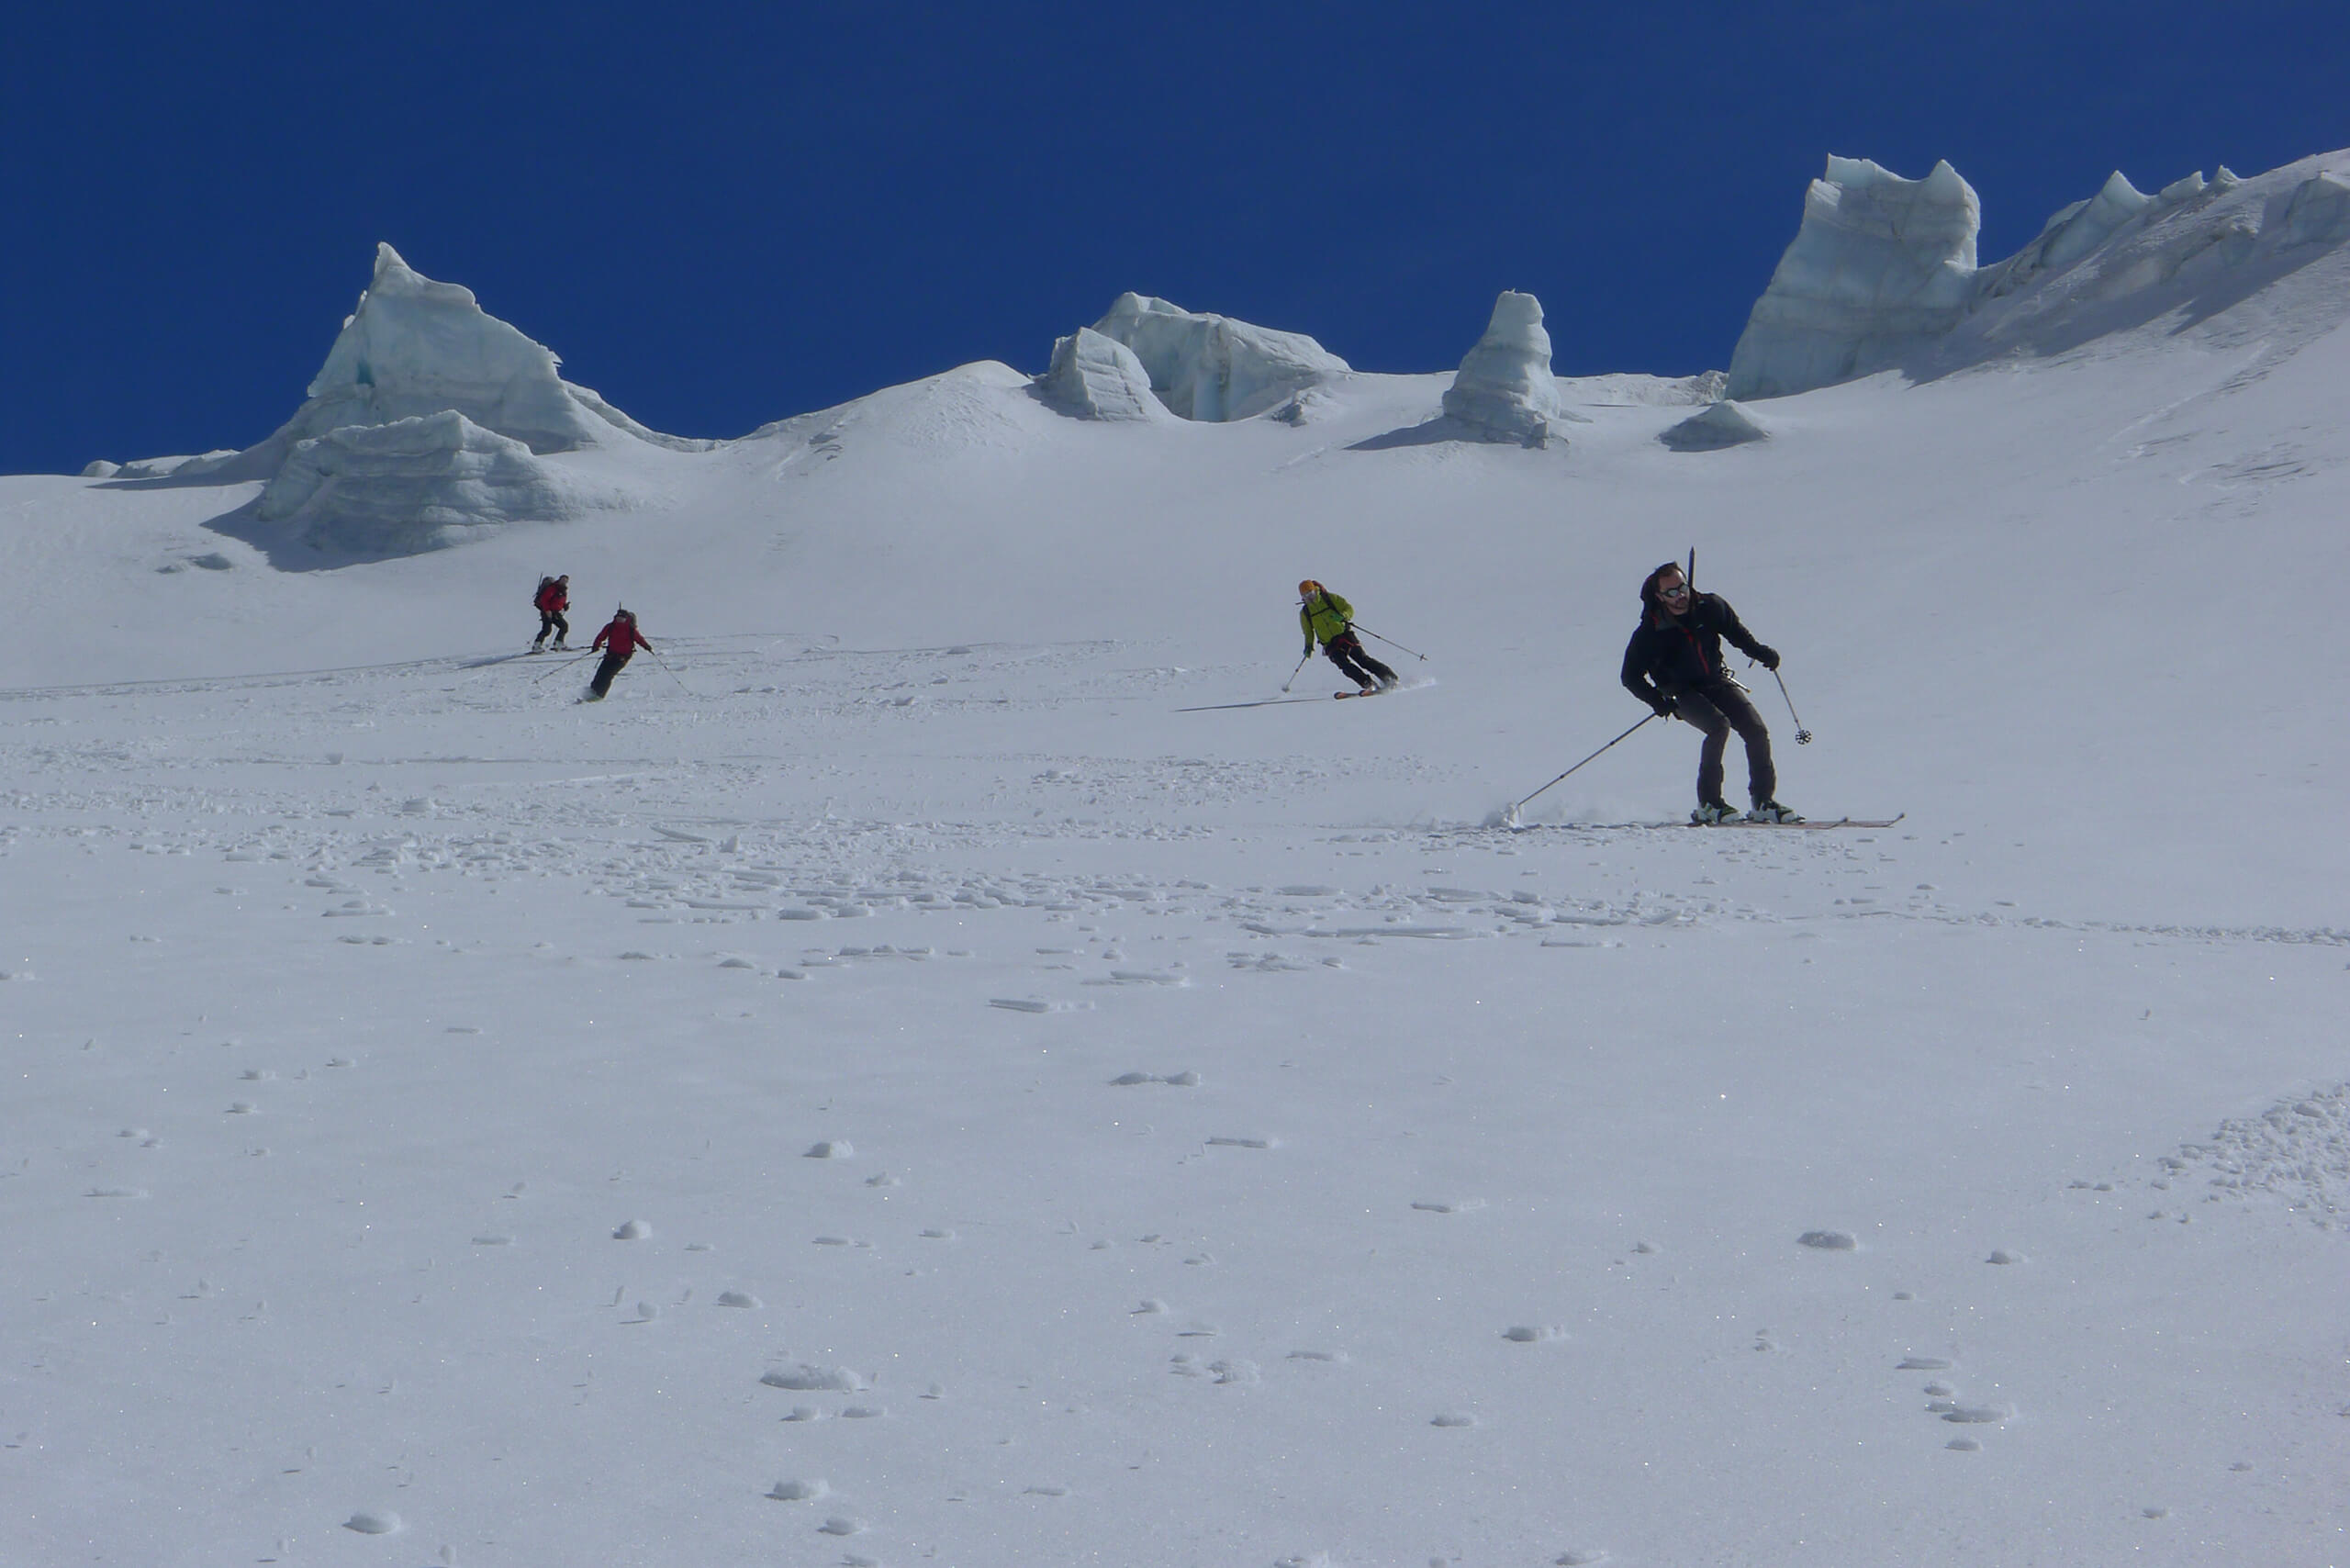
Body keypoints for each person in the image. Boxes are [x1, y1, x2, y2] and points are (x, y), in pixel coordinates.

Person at [1620, 562, 1799, 823]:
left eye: (1682, 588)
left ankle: (1763, 802)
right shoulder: (1651, 631)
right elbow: (1630, 676)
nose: (1679, 596)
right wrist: (1657, 702)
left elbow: (1737, 634)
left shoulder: (1710, 607)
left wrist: (1761, 653)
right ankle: (1709, 804)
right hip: (1681, 692)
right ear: (1659, 596)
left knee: (1756, 729)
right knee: (1718, 726)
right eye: (1671, 592)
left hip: (1715, 681)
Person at [1298, 579, 1397, 694]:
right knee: (1345, 666)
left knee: (1362, 660)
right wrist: (1309, 646)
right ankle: (1368, 684)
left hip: (1344, 635)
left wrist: (1342, 616)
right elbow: (1308, 631)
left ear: (1315, 590)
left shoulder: (1329, 598)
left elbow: (1348, 608)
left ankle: (1390, 678)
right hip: (1329, 644)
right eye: (1305, 596)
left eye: (1310, 593)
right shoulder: (1305, 612)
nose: (1309, 598)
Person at [586, 607, 654, 700]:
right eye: (618, 618)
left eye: (622, 618)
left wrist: (647, 647)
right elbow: (601, 637)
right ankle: (591, 692)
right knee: (600, 674)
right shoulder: (610, 627)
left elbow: (639, 639)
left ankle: (599, 696)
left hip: (622, 658)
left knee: (608, 675)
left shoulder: (631, 629)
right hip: (610, 656)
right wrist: (596, 646)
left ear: (627, 619)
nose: (620, 620)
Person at [532, 574, 570, 651]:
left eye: (566, 581)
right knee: (548, 630)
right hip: (548, 612)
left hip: (555, 612)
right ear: (559, 579)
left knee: (562, 626)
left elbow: (558, 600)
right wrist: (547, 611)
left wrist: (564, 606)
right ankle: (538, 645)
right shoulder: (552, 588)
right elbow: (545, 600)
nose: (564, 582)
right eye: (563, 580)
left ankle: (557, 643)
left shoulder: (562, 590)